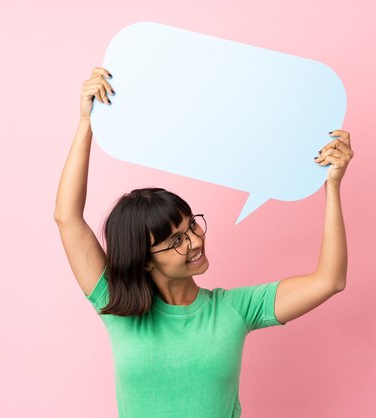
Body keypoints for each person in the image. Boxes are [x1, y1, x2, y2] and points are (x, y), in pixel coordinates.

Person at [54, 67, 354, 418]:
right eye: (177, 240)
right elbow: (67, 218)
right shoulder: (117, 307)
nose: (196, 241)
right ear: (145, 260)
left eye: (192, 226)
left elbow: (330, 280)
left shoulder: (234, 309)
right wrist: (87, 121)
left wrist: (332, 187)